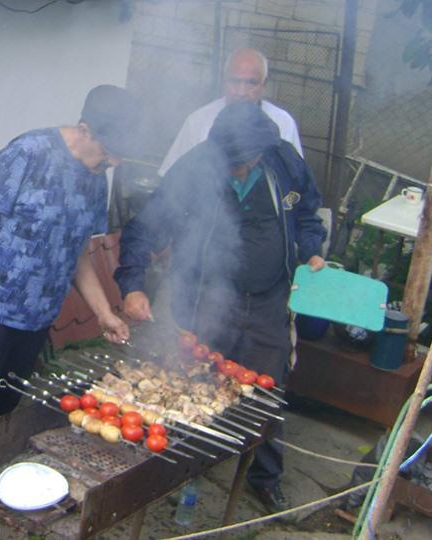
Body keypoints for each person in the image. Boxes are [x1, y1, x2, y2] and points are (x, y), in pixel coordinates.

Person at [0, 85, 138, 540]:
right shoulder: (30, 151)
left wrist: (104, 312)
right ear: (85, 130)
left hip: (36, 318)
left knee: (3, 410)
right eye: (108, 151)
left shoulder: (95, 178)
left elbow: (79, 255)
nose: (112, 162)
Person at [114, 102, 326, 515]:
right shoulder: (193, 170)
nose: (241, 169)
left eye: (248, 161)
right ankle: (183, 474)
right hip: (205, 299)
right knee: (194, 383)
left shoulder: (283, 161)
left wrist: (313, 249)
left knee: (267, 391)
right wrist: (133, 284)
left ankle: (264, 478)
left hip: (268, 299)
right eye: (233, 163)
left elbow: (307, 215)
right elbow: (146, 227)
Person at [158, 48, 303, 176]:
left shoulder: (283, 122)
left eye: (251, 83)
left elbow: (295, 177)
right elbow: (170, 177)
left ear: (264, 84)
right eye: (234, 81)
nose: (241, 92)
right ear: (224, 80)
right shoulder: (197, 121)